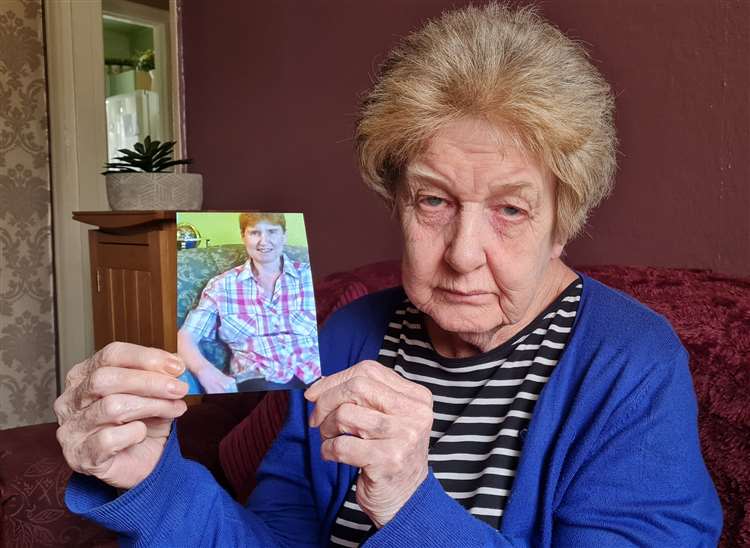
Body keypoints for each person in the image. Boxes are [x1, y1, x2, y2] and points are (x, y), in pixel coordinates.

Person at [55, 4, 722, 546]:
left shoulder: (629, 361)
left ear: (563, 219)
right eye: (433, 200)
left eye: (511, 209)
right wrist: (151, 481)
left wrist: (408, 499)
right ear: (397, 202)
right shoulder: (348, 335)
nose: (463, 254)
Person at [178, 212, 320, 393]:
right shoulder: (222, 286)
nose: (264, 241)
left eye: (272, 231)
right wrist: (205, 371)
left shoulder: (310, 276)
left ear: (284, 235)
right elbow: (186, 336)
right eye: (255, 233)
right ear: (243, 236)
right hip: (259, 381)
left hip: (316, 376)